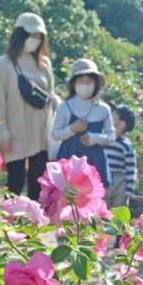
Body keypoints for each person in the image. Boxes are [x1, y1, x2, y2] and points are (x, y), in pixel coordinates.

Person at [0, 12, 55, 200]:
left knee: (37, 186)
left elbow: (51, 97)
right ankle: (8, 227)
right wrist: (3, 132)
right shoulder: (3, 63)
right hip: (15, 133)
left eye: (38, 37)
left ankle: (31, 229)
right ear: (20, 35)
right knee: (15, 184)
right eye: (31, 36)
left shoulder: (44, 64)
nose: (35, 41)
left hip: (41, 133)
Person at [51, 58, 115, 188]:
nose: (85, 85)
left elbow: (111, 136)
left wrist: (95, 138)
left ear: (95, 84)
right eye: (81, 81)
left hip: (95, 160)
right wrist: (71, 130)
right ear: (74, 84)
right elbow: (55, 134)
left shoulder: (103, 109)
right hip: (69, 158)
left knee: (93, 199)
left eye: (89, 82)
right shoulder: (65, 106)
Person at [104, 103, 138, 208]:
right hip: (104, 177)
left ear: (121, 124)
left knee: (119, 209)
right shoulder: (103, 140)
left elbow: (131, 169)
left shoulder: (126, 145)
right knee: (103, 209)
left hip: (120, 181)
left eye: (112, 118)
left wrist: (129, 191)